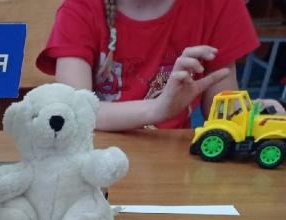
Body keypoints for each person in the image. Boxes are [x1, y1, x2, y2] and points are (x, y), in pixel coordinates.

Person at [38, 0, 283, 131]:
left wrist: (255, 116)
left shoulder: (218, 6)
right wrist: (157, 109)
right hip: (95, 156)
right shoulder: (81, 7)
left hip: (172, 164)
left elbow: (222, 112)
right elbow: (75, 111)